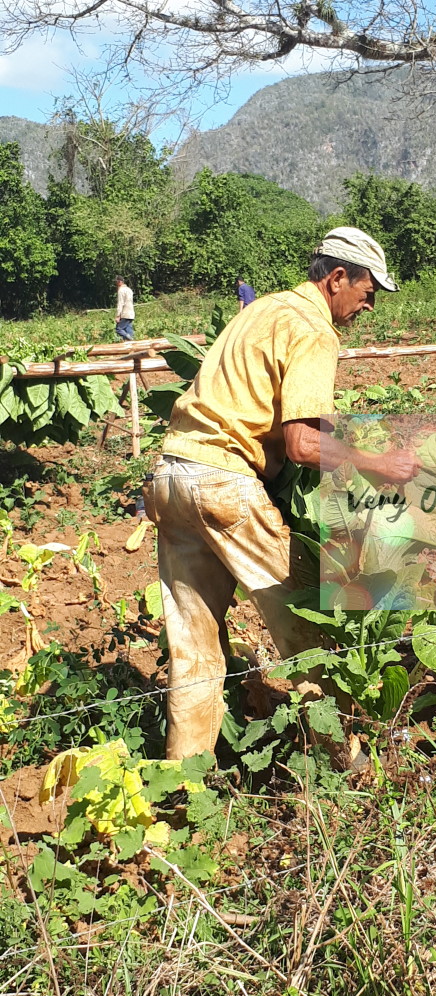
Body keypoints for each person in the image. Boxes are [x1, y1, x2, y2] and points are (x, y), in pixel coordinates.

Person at [142, 228, 419, 761]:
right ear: (337, 278)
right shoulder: (313, 328)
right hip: (223, 481)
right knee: (304, 626)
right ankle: (348, 760)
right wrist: (378, 463)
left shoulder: (264, 309)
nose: (369, 305)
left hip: (173, 473)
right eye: (367, 291)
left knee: (193, 648)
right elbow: (301, 441)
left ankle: (181, 781)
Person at [115, 277, 135, 341]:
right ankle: (131, 344)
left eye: (116, 282)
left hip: (125, 313)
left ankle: (129, 338)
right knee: (128, 329)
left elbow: (120, 303)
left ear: (120, 282)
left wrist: (118, 315)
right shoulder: (129, 289)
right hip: (131, 313)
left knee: (119, 329)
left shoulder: (121, 290)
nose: (116, 284)